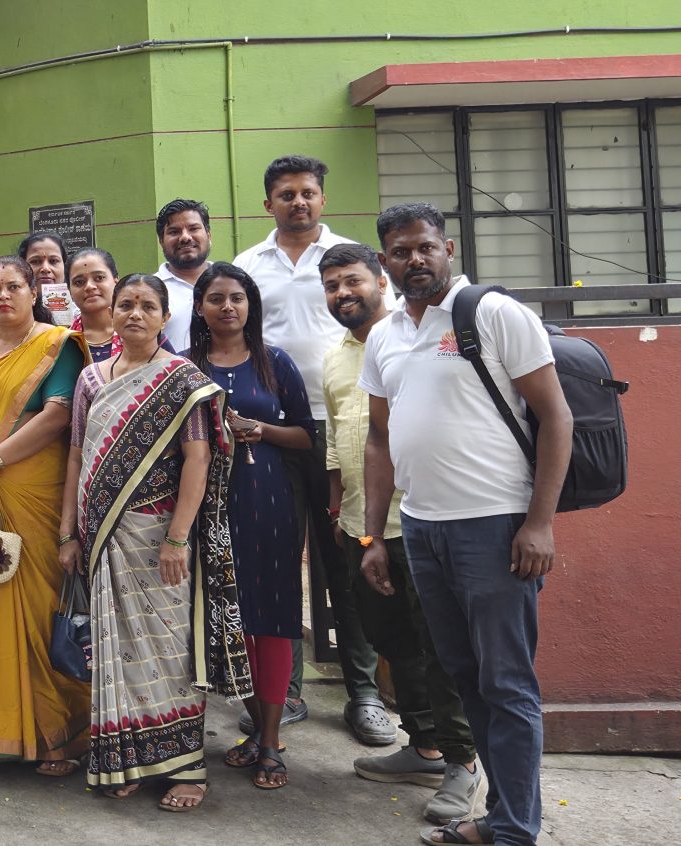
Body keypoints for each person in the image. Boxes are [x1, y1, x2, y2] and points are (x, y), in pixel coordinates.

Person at [359, 204, 572, 846]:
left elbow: (556, 418)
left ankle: (514, 831)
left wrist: (539, 524)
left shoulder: (492, 314)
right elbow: (379, 439)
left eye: (425, 247)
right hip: (421, 529)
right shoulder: (385, 335)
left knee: (506, 682)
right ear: (385, 262)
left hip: (496, 528)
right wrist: (373, 535)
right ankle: (503, 819)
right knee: (467, 675)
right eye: (400, 252)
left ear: (447, 248)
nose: (415, 260)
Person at [62, 273, 251, 810]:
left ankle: (185, 767)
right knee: (114, 652)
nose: (135, 314)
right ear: (112, 314)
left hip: (157, 538)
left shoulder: (181, 380)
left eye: (148, 306)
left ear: (166, 317)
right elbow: (76, 455)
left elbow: (198, 459)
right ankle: (124, 760)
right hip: (101, 538)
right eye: (126, 305)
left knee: (168, 651)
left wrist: (177, 539)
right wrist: (67, 532)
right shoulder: (91, 379)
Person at [320, 243, 484, 825]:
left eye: (353, 281)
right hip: (363, 528)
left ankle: (462, 760)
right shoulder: (334, 358)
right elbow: (341, 439)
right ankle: (424, 746)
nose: (344, 293)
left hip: (420, 522)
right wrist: (342, 514)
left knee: (441, 645)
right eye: (332, 285)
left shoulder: (417, 341)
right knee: (391, 640)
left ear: (380, 281)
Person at [233, 155, 392, 745]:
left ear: (322, 199)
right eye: (286, 194)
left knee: (347, 560)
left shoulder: (350, 261)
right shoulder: (250, 265)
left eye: (307, 193)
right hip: (272, 433)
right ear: (268, 203)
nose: (298, 202)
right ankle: (286, 690)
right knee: (276, 559)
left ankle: (364, 693)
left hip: (344, 427)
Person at [0, 254, 88, 773]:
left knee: (37, 607)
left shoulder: (56, 346)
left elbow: (57, 416)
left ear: (34, 292)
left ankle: (57, 737)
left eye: (14, 287)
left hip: (32, 490)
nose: (3, 296)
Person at [188, 261, 314, 791]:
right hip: (210, 508)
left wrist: (260, 429)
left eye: (237, 298)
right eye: (216, 298)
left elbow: (305, 435)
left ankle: (270, 743)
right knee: (230, 620)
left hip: (270, 503)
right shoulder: (186, 366)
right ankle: (257, 730)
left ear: (250, 305)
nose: (227, 307)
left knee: (273, 619)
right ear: (200, 308)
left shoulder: (273, 362)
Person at [154, 199, 213, 353]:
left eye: (193, 229)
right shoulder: (150, 290)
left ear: (209, 234)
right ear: (161, 241)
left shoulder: (232, 283)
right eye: (174, 232)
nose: (185, 237)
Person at [62, 247, 123, 364]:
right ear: (69, 290)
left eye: (99, 278)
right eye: (79, 282)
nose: (89, 286)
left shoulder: (140, 334)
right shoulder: (62, 344)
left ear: (116, 282)